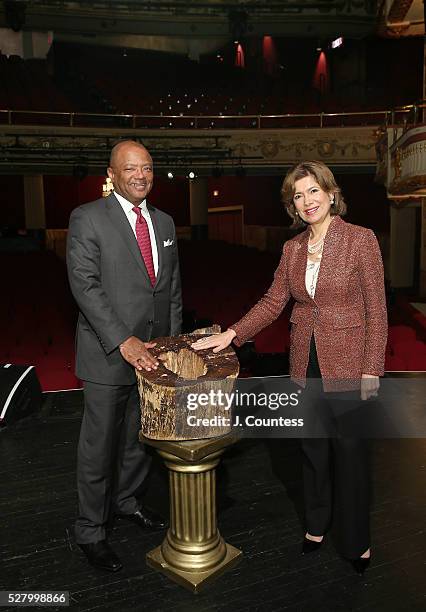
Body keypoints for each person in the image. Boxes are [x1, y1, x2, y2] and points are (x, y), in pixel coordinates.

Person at [192, 160, 387, 575]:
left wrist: (372, 369)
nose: (306, 201)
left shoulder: (360, 239)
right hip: (305, 359)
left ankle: (356, 540)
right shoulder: (293, 248)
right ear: (293, 206)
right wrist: (232, 334)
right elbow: (273, 301)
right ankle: (317, 524)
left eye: (313, 191)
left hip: (351, 362)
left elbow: (378, 310)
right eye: (298, 195)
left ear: (331, 194)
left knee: (350, 454)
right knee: (313, 449)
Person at [66, 140, 182, 572]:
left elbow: (170, 290)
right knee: (99, 446)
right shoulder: (87, 217)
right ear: (112, 173)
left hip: (154, 355)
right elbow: (84, 286)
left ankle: (128, 501)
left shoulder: (166, 222)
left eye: (147, 168)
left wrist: (168, 346)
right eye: (131, 169)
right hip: (108, 355)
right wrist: (123, 341)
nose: (141, 176)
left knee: (140, 438)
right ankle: (91, 530)